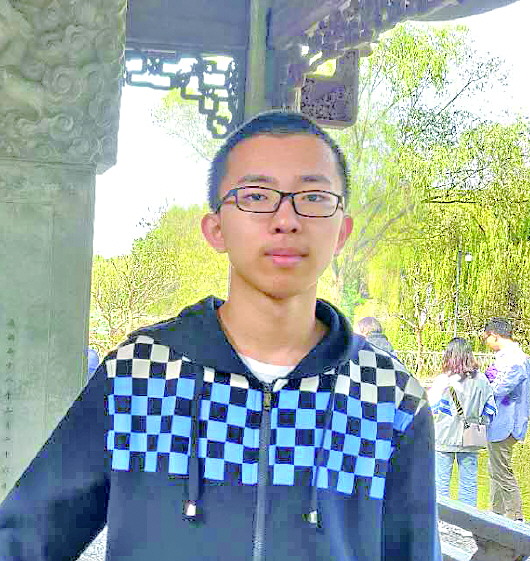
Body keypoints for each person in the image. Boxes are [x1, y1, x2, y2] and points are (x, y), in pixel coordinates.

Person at [0, 111, 442, 561]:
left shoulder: (388, 397)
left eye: (313, 197)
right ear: (215, 229)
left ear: (342, 231)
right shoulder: (139, 375)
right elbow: (23, 540)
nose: (286, 219)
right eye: (256, 196)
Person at [428, 337, 496, 507]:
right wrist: (479, 423)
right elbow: (490, 410)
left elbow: (430, 408)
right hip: (471, 437)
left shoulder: (443, 380)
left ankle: (442, 519)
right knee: (469, 484)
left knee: (440, 484)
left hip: (443, 436)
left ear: (448, 355)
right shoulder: (482, 380)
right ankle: (467, 520)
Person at [483, 318, 530, 522]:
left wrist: (485, 384)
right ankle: (496, 514)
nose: (485, 342)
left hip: (506, 422)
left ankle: (515, 518)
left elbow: (501, 388)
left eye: (486, 338)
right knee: (495, 469)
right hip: (503, 421)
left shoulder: (514, 359)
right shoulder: (513, 357)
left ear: (495, 335)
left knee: (502, 471)